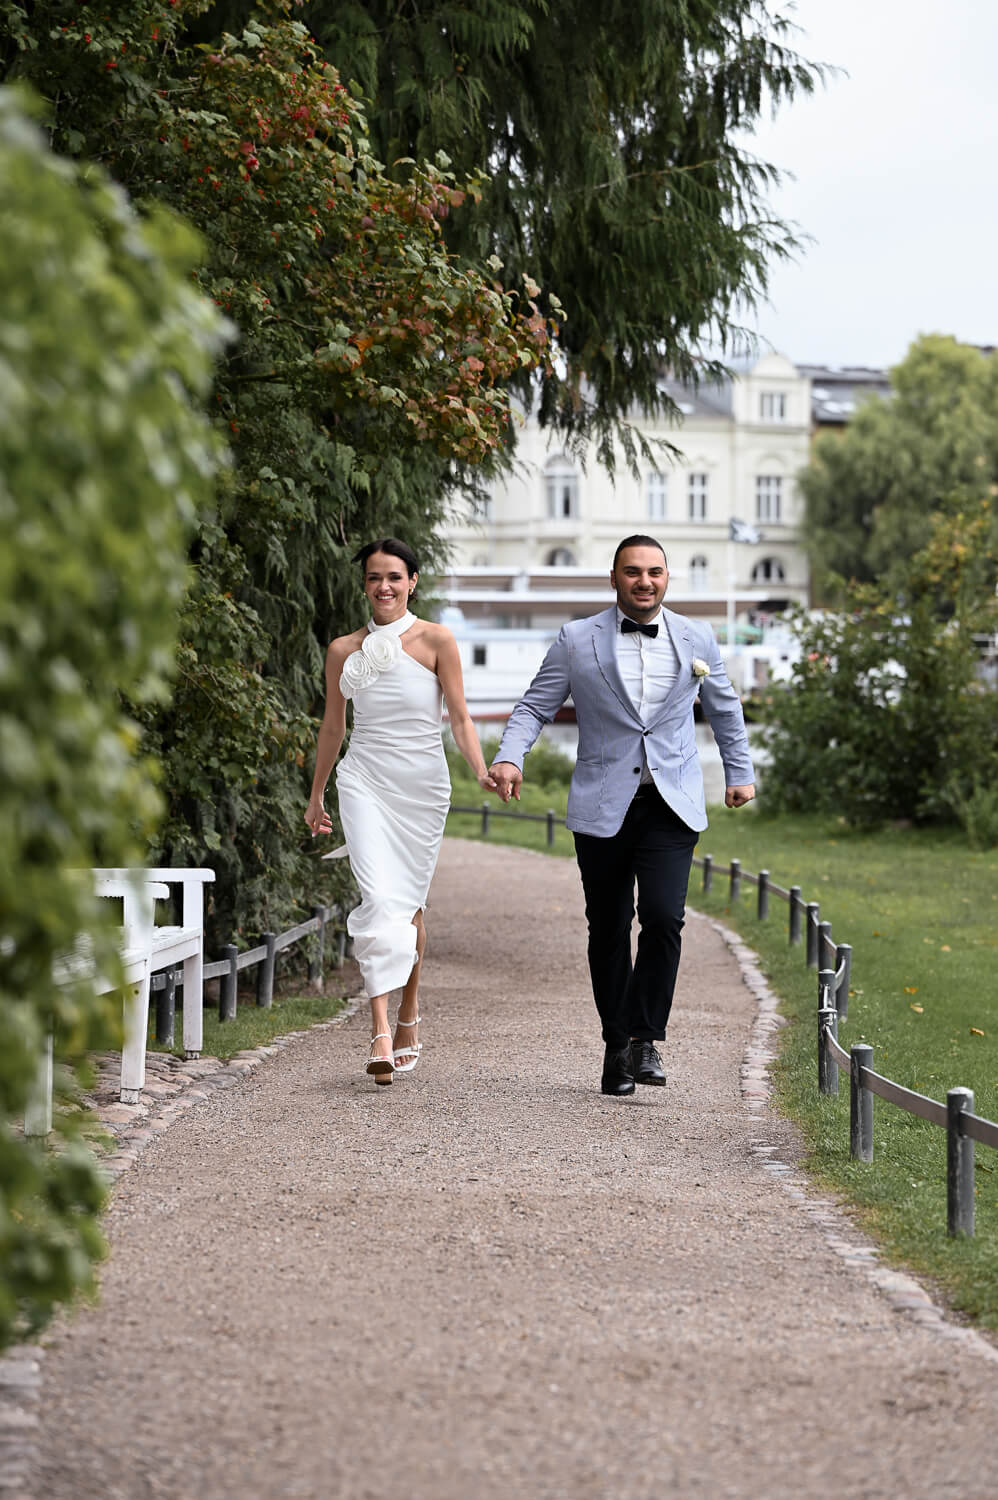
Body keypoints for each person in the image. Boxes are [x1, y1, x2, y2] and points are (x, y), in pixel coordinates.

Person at [489, 535, 755, 1097]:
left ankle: (644, 1038)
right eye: (633, 572)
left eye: (655, 572)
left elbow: (725, 707)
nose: (645, 581)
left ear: (667, 578)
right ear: (614, 578)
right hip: (602, 803)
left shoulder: (696, 636)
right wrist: (510, 756)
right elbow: (535, 705)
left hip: (670, 801)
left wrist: (739, 772)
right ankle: (616, 1045)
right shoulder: (576, 639)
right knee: (608, 928)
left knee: (662, 918)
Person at [305, 538, 496, 1085]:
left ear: (413, 581)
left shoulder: (437, 639)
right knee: (378, 897)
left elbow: (458, 718)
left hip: (421, 786)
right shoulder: (344, 649)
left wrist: (480, 769)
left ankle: (411, 1006)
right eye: (373, 578)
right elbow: (333, 728)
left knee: (409, 905)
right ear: (363, 585)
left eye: (394, 577)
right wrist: (317, 795)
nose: (383, 587)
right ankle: (381, 1030)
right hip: (364, 780)